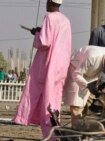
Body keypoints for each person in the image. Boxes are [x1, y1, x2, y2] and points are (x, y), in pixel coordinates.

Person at [14, 0, 72, 139]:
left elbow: (45, 41)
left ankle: (49, 136)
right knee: (54, 99)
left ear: (49, 2)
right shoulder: (66, 20)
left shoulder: (49, 17)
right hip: (61, 66)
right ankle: (54, 134)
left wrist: (37, 34)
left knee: (44, 99)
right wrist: (41, 31)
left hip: (47, 65)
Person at [63, 45, 105, 129]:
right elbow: (76, 74)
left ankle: (81, 127)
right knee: (76, 105)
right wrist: (87, 85)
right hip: (76, 71)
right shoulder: (92, 56)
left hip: (91, 74)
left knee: (84, 104)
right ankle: (75, 131)